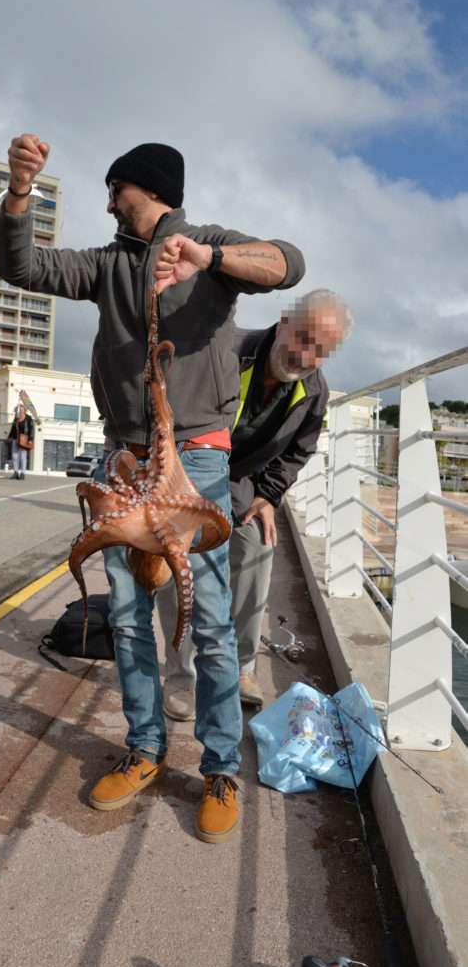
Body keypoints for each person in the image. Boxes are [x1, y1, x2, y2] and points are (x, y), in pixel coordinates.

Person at [0, 134, 305, 843]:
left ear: (151, 189)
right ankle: (145, 749)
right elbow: (22, 266)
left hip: (195, 458)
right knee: (131, 617)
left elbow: (288, 262)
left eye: (118, 191)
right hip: (123, 463)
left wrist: (211, 259)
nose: (109, 202)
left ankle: (222, 766)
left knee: (213, 624)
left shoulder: (211, 246)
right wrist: (19, 192)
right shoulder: (107, 265)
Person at [158, 289, 352, 719]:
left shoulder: (314, 391)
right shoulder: (226, 350)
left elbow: (298, 451)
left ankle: (242, 668)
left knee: (258, 546)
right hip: (186, 468)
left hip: (240, 480)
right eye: (302, 337)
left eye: (320, 350)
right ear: (284, 321)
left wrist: (268, 495)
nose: (304, 354)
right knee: (177, 562)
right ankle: (180, 675)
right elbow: (167, 404)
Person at [7, 402, 34, 479]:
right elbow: (13, 428)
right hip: (16, 439)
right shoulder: (16, 418)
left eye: (22, 409)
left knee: (23, 456)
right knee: (14, 456)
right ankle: (16, 472)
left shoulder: (28, 418)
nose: (20, 411)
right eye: (19, 410)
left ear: (25, 410)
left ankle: (22, 473)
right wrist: (9, 437)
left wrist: (30, 439)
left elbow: (31, 429)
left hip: (24, 439)